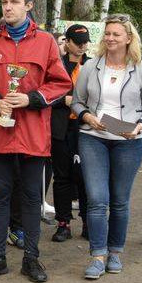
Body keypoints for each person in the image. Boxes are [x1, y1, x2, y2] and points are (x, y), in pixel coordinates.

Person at [0, 0, 71, 283]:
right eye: (4, 2)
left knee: (31, 199)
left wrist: (31, 99)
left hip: (33, 135)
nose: (7, 7)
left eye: (14, 2)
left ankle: (31, 258)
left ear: (29, 5)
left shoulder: (46, 41)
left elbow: (61, 83)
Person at [72, 14, 142, 279]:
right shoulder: (90, 67)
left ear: (128, 38)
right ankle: (97, 255)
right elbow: (77, 102)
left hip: (128, 142)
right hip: (93, 138)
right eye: (107, 33)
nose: (109, 38)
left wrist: (140, 125)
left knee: (119, 201)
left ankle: (115, 253)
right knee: (98, 200)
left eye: (116, 34)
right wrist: (88, 117)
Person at [51, 24, 91, 242]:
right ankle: (63, 223)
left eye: (85, 42)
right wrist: (64, 101)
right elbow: (45, 94)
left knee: (86, 178)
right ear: (67, 42)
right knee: (62, 177)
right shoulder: (57, 65)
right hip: (61, 127)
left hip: (86, 127)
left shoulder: (93, 65)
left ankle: (87, 222)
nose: (82, 46)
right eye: (78, 42)